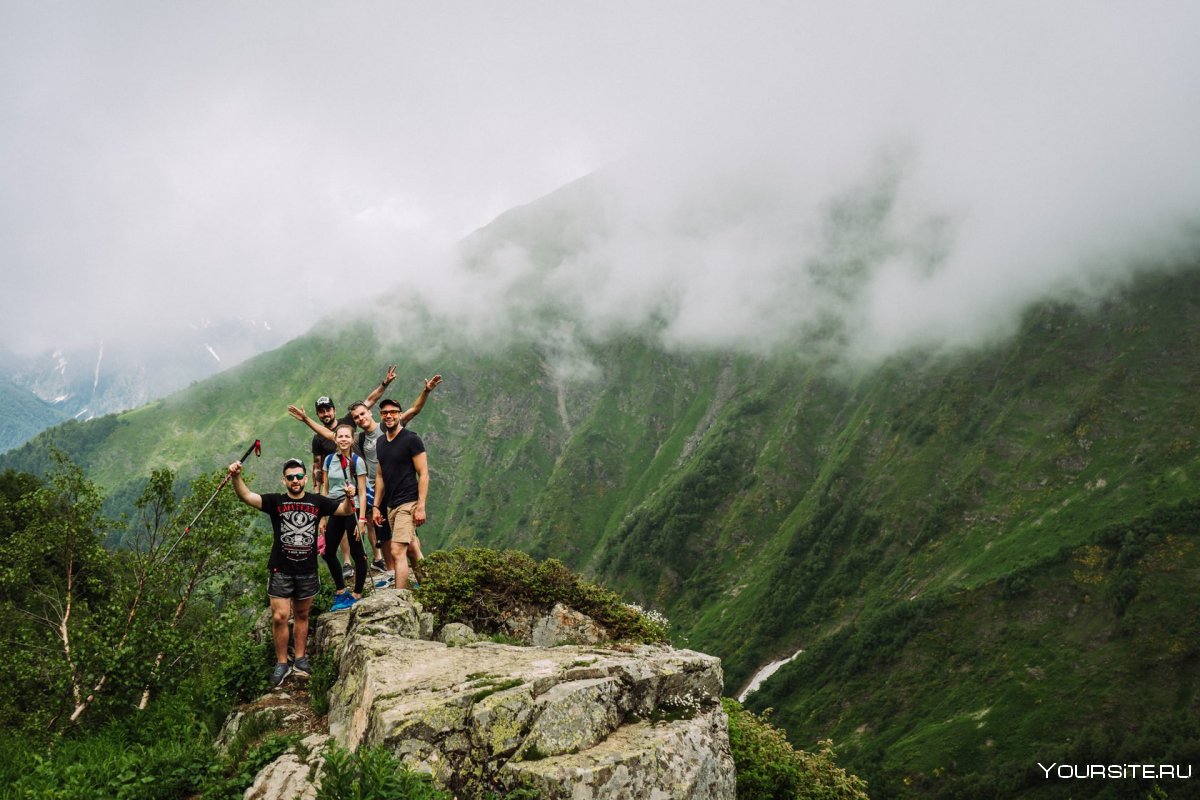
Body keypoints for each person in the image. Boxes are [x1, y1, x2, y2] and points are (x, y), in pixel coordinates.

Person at [291, 374, 441, 580]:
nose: (361, 419)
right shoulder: (360, 439)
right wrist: (306, 419)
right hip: (377, 494)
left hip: (401, 492)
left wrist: (426, 391)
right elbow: (330, 436)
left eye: (363, 414)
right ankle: (397, 575)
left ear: (370, 412)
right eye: (357, 417)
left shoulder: (388, 428)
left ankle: (422, 582)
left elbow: (414, 410)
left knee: (409, 544)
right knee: (387, 538)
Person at [230, 457, 357, 689]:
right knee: (279, 616)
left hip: (307, 569)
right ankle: (281, 663)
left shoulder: (317, 501)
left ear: (306, 478)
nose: (295, 480)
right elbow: (246, 496)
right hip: (280, 569)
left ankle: (300, 659)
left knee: (302, 615)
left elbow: (344, 510)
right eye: (291, 477)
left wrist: (350, 497)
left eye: (299, 476)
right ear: (284, 480)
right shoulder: (275, 502)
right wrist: (236, 477)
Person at [371, 396, 430, 592]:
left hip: (408, 502)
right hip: (391, 505)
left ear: (399, 414)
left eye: (393, 412)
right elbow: (380, 476)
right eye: (385, 413)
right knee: (413, 549)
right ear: (381, 416)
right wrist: (376, 506)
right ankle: (431, 588)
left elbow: (423, 474)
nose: (389, 416)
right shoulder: (380, 442)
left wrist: (420, 506)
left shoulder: (411, 439)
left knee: (397, 551)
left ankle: (399, 598)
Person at [319, 423, 369, 611]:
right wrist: (322, 516)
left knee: (358, 552)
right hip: (334, 508)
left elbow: (362, 492)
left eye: (347, 436)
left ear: (352, 439)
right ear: (335, 439)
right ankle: (341, 591)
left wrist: (362, 519)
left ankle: (357, 594)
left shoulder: (357, 461)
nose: (343, 440)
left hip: (352, 508)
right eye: (340, 436)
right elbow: (325, 489)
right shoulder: (329, 460)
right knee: (328, 551)